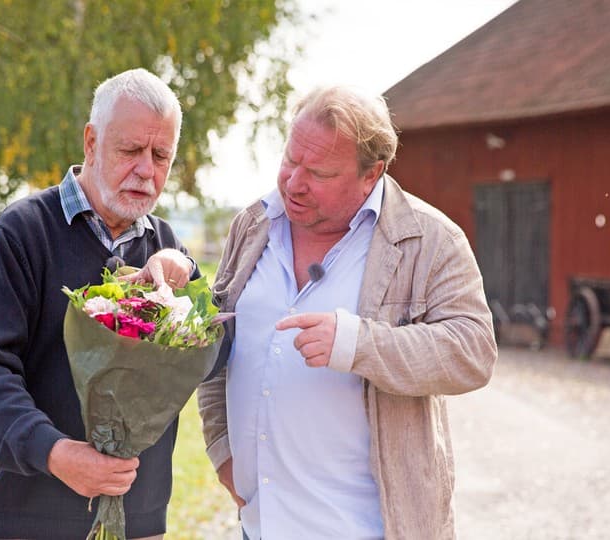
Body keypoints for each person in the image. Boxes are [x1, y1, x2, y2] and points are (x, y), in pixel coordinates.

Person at [197, 86, 497, 540]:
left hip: (367, 528)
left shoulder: (432, 239)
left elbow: (474, 352)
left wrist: (359, 344)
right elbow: (214, 342)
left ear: (371, 174)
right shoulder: (252, 223)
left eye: (319, 172)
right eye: (291, 159)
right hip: (260, 527)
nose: (294, 182)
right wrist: (222, 447)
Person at [0, 68, 199, 540]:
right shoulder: (21, 233)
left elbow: (213, 353)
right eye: (130, 150)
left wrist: (186, 276)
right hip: (18, 519)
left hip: (134, 522)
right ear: (91, 142)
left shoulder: (166, 245)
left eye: (161, 156)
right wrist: (55, 453)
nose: (146, 170)